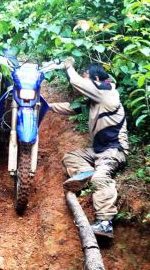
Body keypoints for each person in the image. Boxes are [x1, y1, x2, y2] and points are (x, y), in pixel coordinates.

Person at [49, 57, 129, 238]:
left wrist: (69, 66)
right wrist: (47, 106)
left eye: (87, 77)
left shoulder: (107, 94)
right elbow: (73, 108)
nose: (84, 81)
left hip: (114, 150)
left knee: (101, 177)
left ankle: (105, 222)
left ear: (97, 79)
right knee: (71, 157)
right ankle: (87, 174)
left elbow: (76, 82)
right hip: (99, 150)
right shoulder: (96, 98)